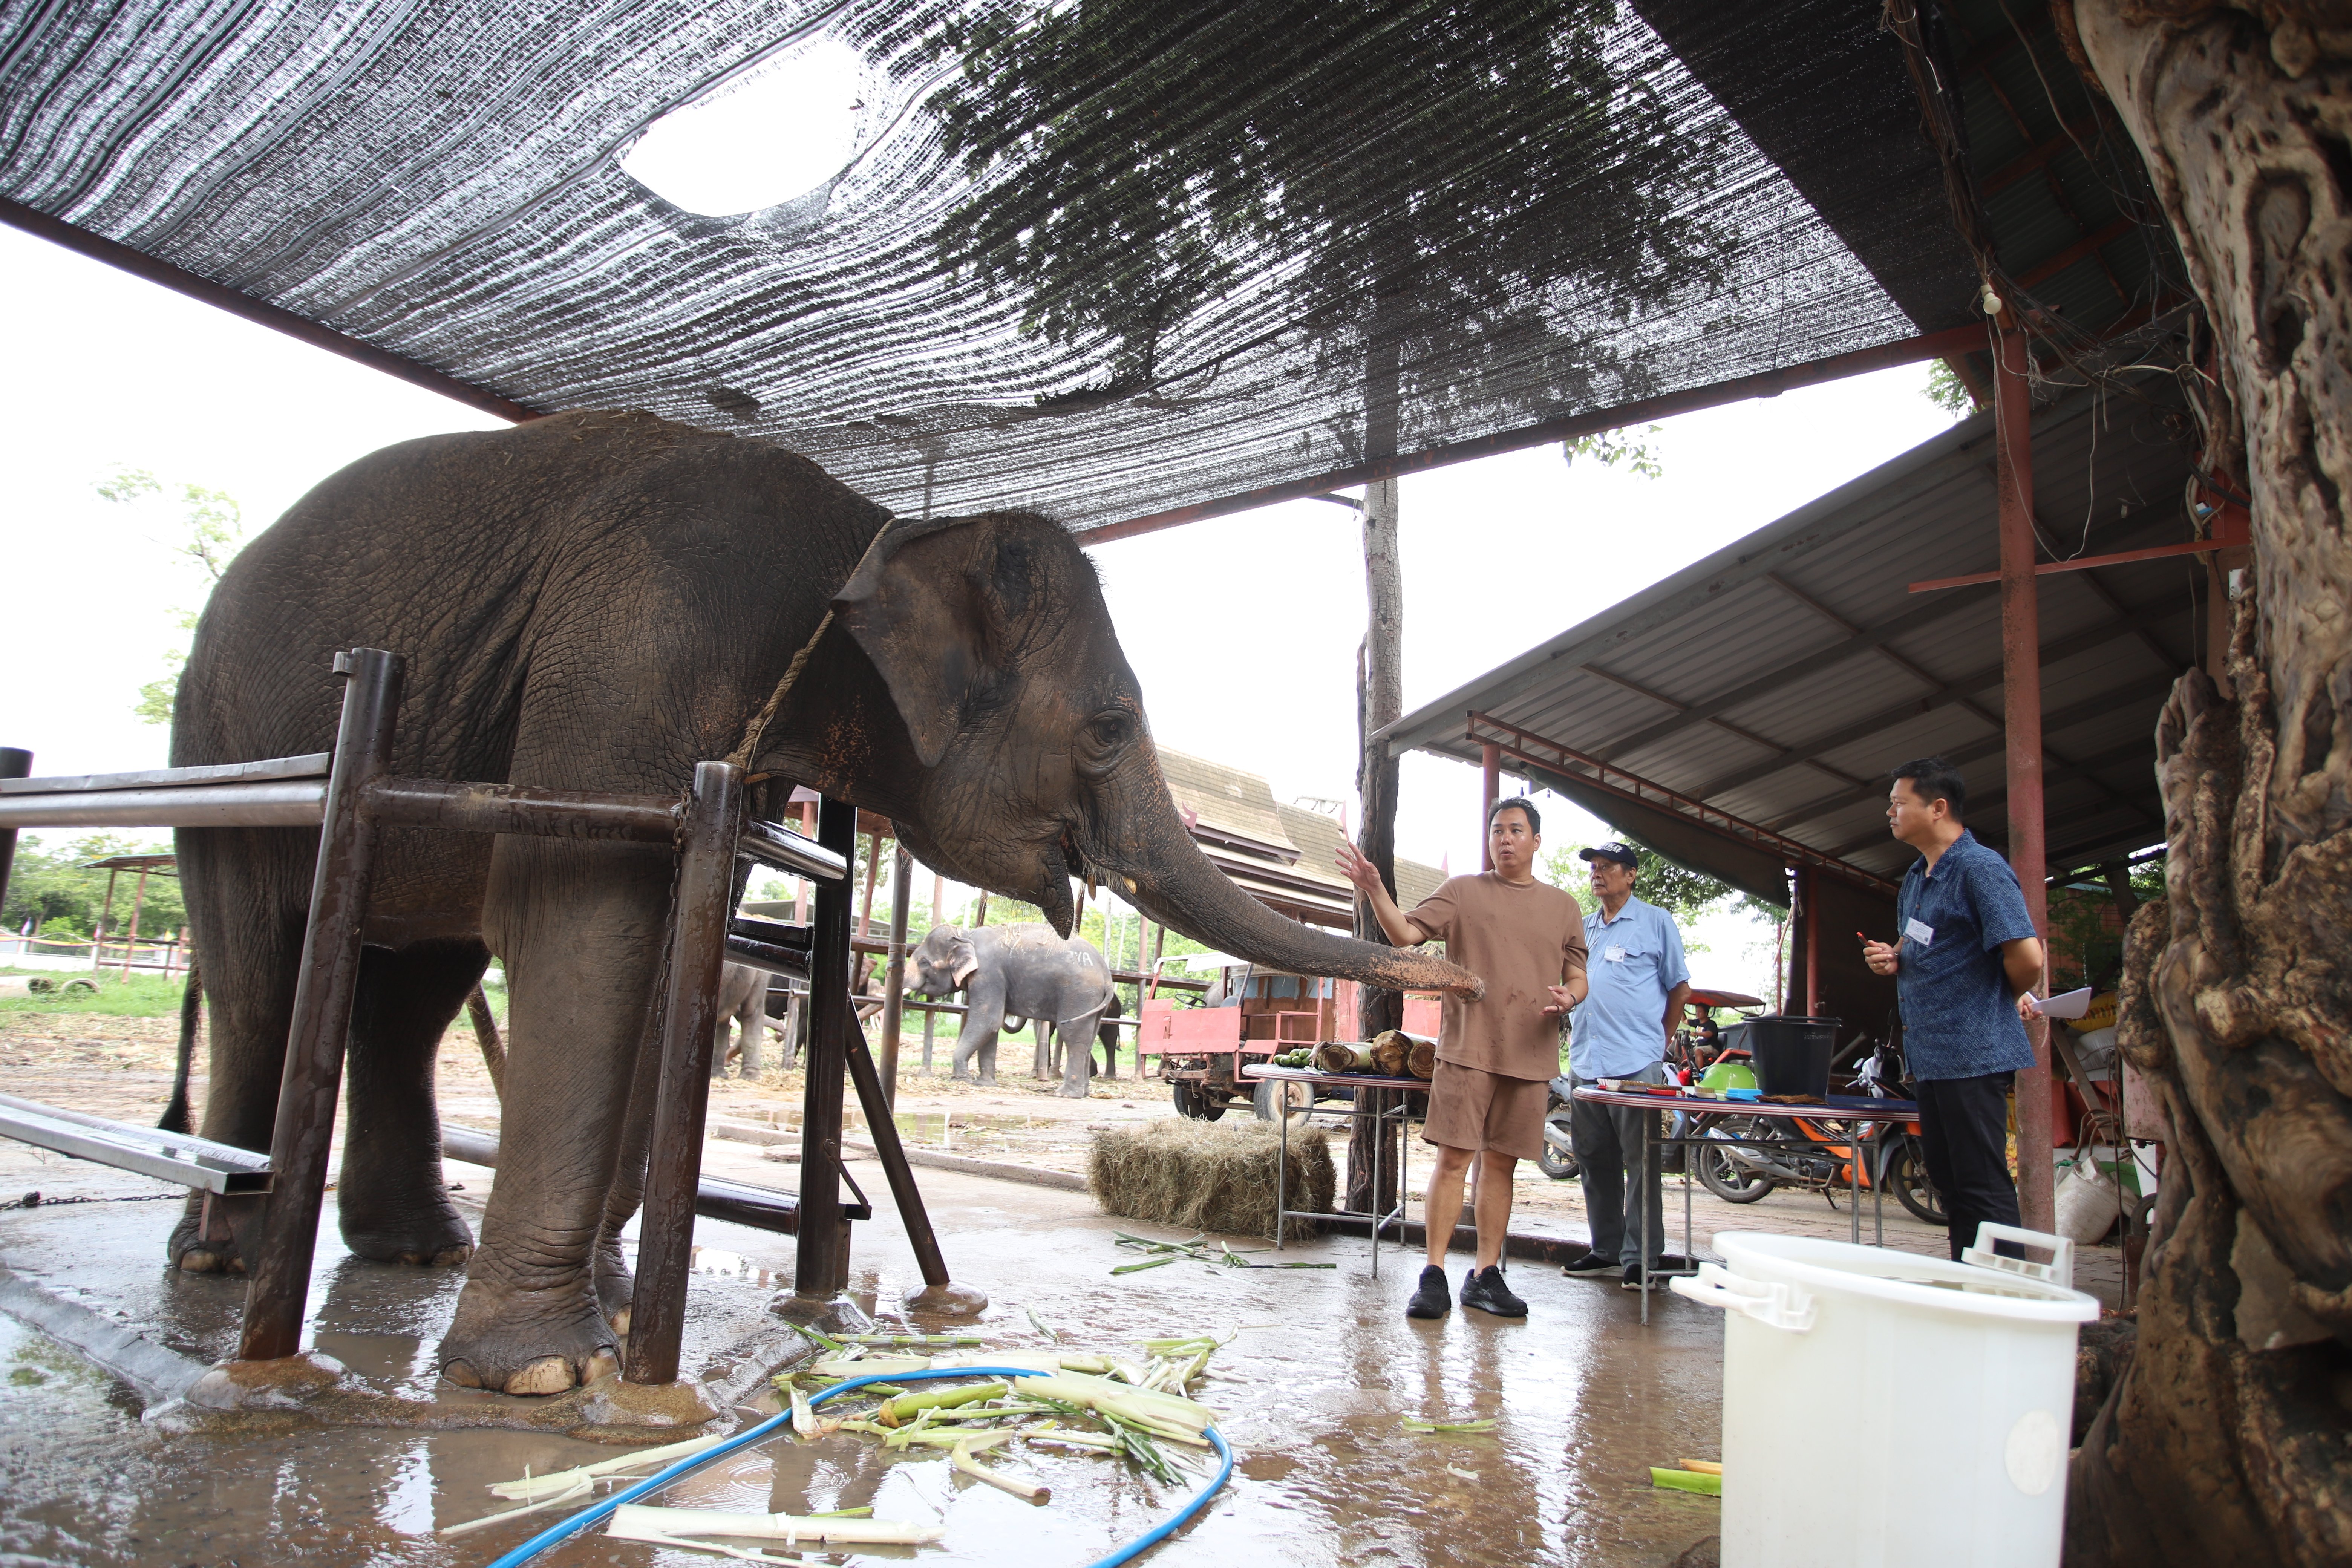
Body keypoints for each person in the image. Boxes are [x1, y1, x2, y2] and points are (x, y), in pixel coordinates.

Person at [1337, 796, 1587, 1320]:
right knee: (1454, 1162)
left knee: (1502, 1166)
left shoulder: (1564, 906)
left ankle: (1486, 1275)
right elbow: (1405, 935)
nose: (1505, 839)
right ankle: (1434, 1275)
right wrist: (1374, 887)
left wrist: (1572, 996)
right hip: (1468, 1051)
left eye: (1516, 830)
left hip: (1531, 1055)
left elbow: (1577, 973)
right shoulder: (1463, 892)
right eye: (1497, 830)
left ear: (1537, 841)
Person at [1862, 757, 2044, 1260]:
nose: (1891, 813)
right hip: (1931, 1055)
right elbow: (1916, 943)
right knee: (1948, 1181)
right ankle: (1972, 1284)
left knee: (1981, 1182)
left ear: (1938, 808)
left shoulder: (1979, 869)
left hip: (1973, 1051)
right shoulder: (1918, 877)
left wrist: (1993, 1001)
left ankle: (2007, 1295)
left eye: (1900, 804)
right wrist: (1892, 959)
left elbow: (2028, 958)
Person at [1559, 842, 1692, 1290]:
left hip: (1636, 1062)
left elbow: (1679, 988)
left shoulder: (1656, 921)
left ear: (1631, 874)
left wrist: (1660, 1042)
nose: (1598, 874)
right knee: (1594, 1156)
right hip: (1586, 1060)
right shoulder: (1584, 928)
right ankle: (1606, 1248)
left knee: (1641, 1159)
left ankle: (1642, 1256)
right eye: (1594, 868)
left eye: (1608, 867)